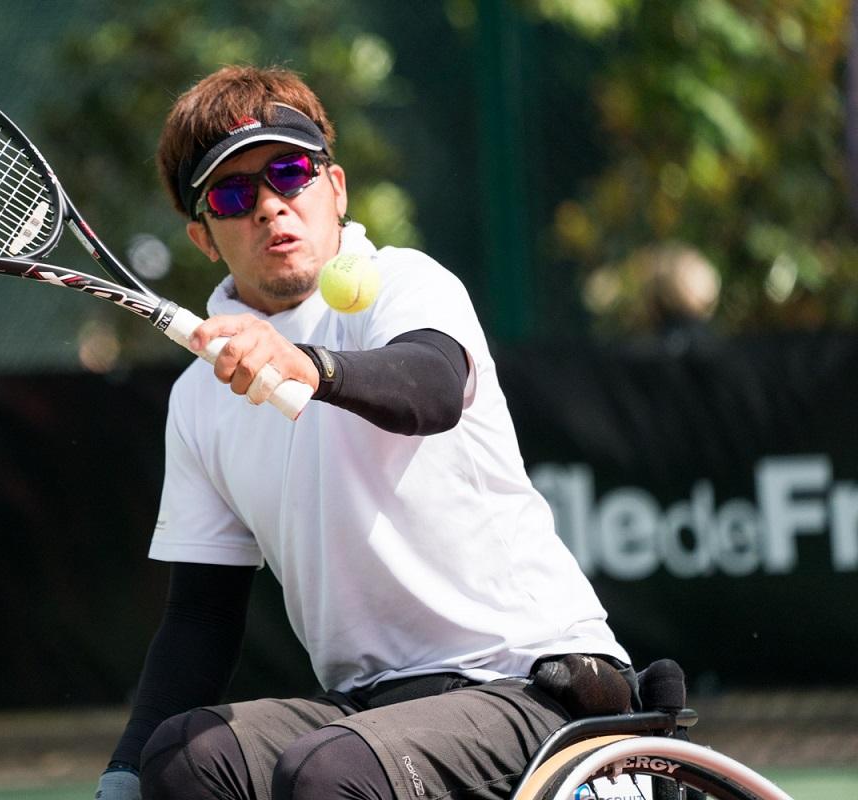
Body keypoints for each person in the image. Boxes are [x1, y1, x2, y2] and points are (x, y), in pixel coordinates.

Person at [94, 65, 633, 800]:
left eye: (290, 172)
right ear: (204, 236)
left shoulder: (410, 284)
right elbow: (200, 620)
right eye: (233, 193)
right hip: (372, 707)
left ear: (336, 190)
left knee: (326, 772)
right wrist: (122, 776)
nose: (270, 207)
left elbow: (431, 388)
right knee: (186, 759)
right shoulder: (197, 400)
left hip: (530, 684)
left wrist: (305, 364)